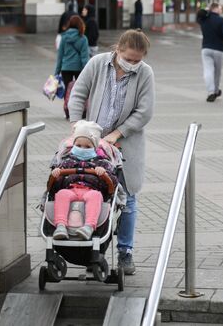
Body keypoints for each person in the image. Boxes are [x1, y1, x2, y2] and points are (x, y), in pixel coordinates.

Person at [68, 29, 155, 275]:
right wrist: (77, 125)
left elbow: (145, 111)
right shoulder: (98, 64)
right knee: (95, 194)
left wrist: (118, 134)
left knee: (127, 199)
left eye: (138, 60)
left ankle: (126, 252)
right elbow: (79, 92)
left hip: (125, 145)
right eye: (129, 58)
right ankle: (95, 251)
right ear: (118, 50)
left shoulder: (145, 73)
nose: (133, 64)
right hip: (92, 144)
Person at [51, 121, 117, 241]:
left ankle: (89, 227)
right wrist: (57, 176)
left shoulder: (101, 162)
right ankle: (61, 225)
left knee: (95, 196)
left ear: (95, 148)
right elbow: (55, 187)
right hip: (70, 189)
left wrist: (103, 174)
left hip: (91, 190)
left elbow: (112, 183)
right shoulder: (66, 161)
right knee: (61, 194)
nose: (82, 149)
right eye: (79, 145)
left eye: (87, 147)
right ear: (73, 144)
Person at [55, 16, 90, 119]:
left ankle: (67, 111)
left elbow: (60, 56)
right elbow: (84, 57)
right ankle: (81, 111)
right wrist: (87, 71)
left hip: (65, 68)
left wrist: (56, 72)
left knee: (67, 90)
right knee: (80, 91)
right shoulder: (83, 38)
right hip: (79, 68)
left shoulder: (64, 37)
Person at [197, 2, 223, 102]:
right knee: (217, 72)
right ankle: (216, 90)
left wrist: (206, 11)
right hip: (219, 49)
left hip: (206, 48)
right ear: (215, 9)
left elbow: (199, 15)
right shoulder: (221, 20)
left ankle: (211, 91)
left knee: (208, 71)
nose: (221, 10)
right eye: (220, 8)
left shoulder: (204, 20)